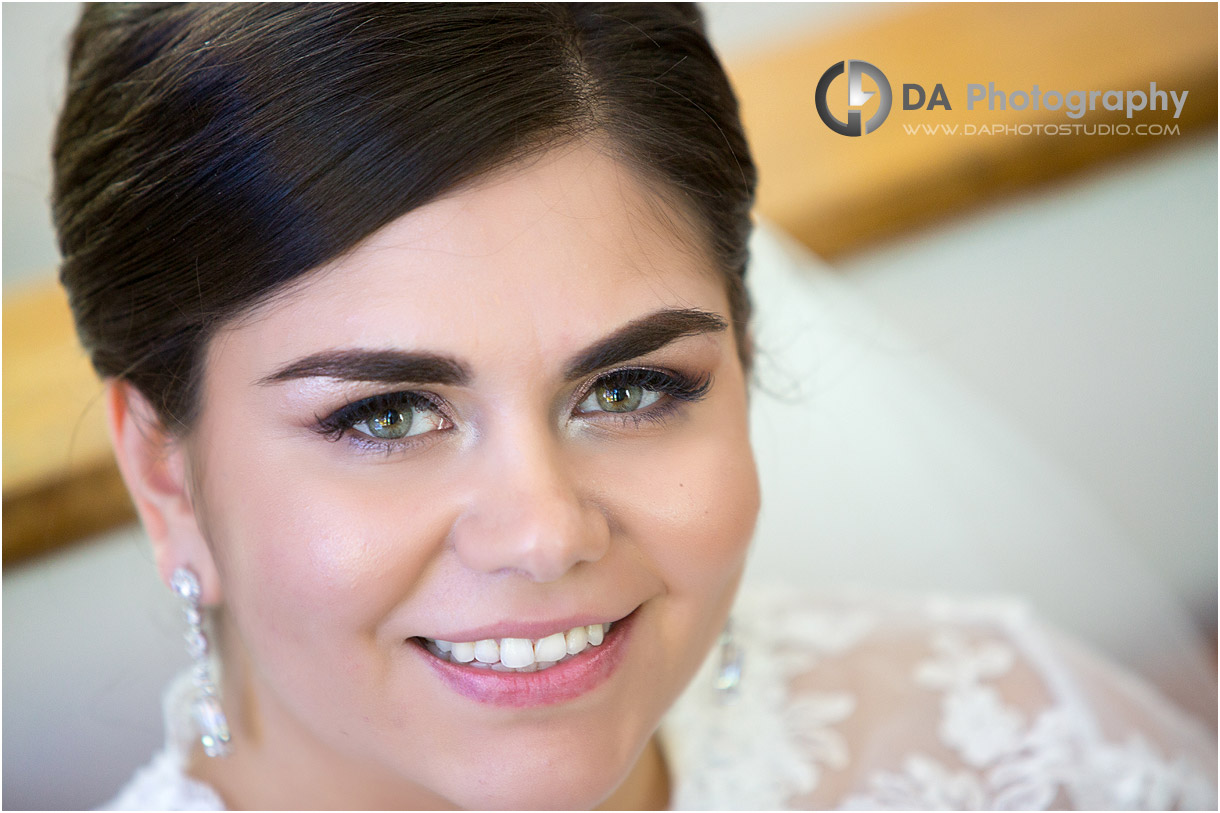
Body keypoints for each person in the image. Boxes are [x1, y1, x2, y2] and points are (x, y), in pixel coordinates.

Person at [52, 4, 1214, 809]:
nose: (546, 532)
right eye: (389, 415)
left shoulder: (1016, 748)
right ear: (166, 475)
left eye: (630, 388)